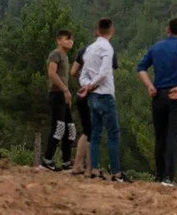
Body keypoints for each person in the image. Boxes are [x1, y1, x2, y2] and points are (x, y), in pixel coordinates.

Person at [137, 17, 177, 186]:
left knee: (160, 136)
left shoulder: (156, 47)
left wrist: (149, 85)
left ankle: (159, 174)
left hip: (158, 95)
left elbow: (141, 67)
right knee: (174, 137)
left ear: (167, 30)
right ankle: (169, 177)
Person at [77, 18, 127, 182]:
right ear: (111, 31)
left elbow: (82, 74)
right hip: (104, 94)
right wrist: (92, 85)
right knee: (113, 134)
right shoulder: (107, 47)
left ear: (97, 30)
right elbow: (105, 72)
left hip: (92, 96)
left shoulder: (90, 49)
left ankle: (94, 169)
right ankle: (116, 172)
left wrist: (86, 86)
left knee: (95, 133)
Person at [69, 31, 119, 176]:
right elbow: (106, 75)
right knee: (97, 132)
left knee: (87, 131)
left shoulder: (85, 50)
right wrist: (93, 86)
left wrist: (85, 84)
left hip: (82, 94)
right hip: (98, 94)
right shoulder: (109, 51)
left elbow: (73, 71)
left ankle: (78, 165)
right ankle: (91, 168)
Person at [41, 29, 76, 171]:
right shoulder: (55, 54)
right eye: (67, 39)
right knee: (59, 128)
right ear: (59, 40)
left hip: (63, 96)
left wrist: (67, 94)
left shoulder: (65, 57)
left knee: (70, 129)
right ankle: (47, 160)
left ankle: (67, 162)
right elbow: (52, 73)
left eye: (71, 39)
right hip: (56, 94)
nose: (70, 42)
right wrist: (65, 89)